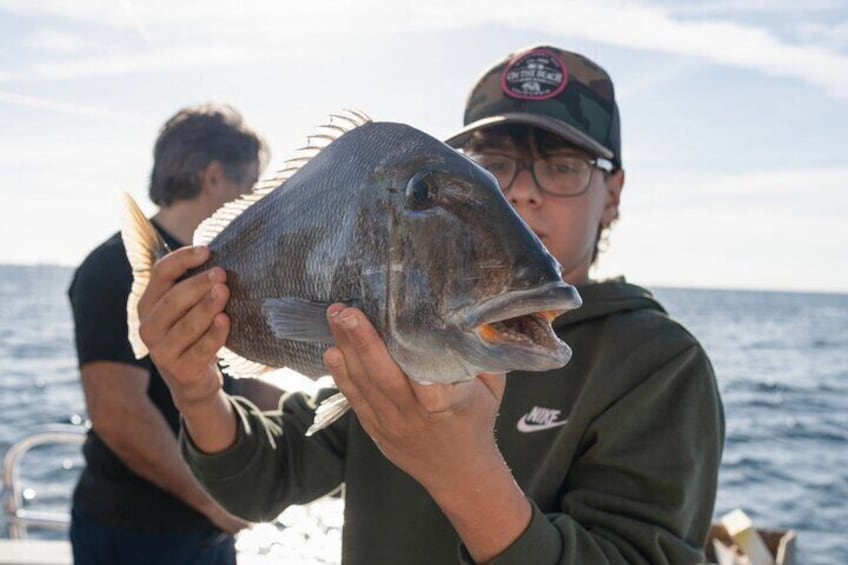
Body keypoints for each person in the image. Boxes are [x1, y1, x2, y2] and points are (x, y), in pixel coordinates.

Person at [135, 46, 725, 564]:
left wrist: (464, 474)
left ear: (613, 194)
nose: (523, 189)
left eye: (563, 166)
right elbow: (264, 480)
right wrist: (195, 390)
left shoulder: (657, 364)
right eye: (494, 165)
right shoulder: (398, 328)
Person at [67, 103, 282, 564]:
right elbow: (118, 412)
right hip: (135, 532)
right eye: (250, 186)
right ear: (214, 178)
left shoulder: (225, 269)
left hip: (212, 526)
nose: (255, 202)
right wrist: (211, 500)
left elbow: (243, 383)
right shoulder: (111, 269)